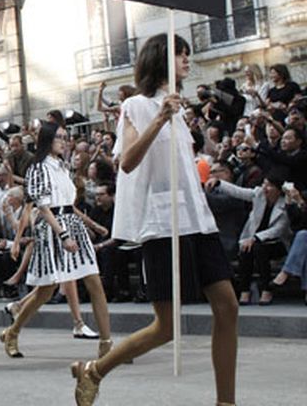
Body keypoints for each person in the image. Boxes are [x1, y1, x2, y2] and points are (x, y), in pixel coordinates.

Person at [74, 34, 238, 406]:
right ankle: (96, 370)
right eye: (181, 54)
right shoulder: (136, 105)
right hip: (162, 223)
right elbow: (128, 161)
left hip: (197, 218)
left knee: (228, 306)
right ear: (161, 58)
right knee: (166, 326)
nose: (186, 61)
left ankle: (225, 402)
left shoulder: (179, 110)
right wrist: (160, 118)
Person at [0, 120, 112, 362]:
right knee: (45, 290)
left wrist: (92, 225)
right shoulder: (38, 168)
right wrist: (62, 234)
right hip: (52, 230)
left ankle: (106, 344)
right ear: (48, 139)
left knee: (94, 281)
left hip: (72, 224)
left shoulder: (63, 167)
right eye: (59, 136)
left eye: (65, 136)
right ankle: (13, 331)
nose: (64, 140)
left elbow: (69, 205)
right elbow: (42, 206)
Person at [206, 171, 292, 306]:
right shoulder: (258, 194)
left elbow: (278, 229)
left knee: (258, 248)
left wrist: (256, 238)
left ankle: (266, 289)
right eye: (264, 184)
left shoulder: (286, 203)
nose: (265, 188)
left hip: (277, 243)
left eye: (269, 186)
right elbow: (239, 192)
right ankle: (244, 290)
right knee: (247, 249)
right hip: (254, 240)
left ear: (278, 189)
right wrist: (219, 183)